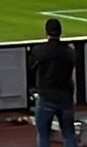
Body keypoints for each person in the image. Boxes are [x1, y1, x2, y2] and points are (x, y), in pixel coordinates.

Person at [31, 18, 79, 147]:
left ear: (46, 32)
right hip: (65, 97)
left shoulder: (40, 50)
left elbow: (31, 67)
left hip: (47, 97)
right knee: (69, 134)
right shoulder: (70, 52)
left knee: (43, 135)